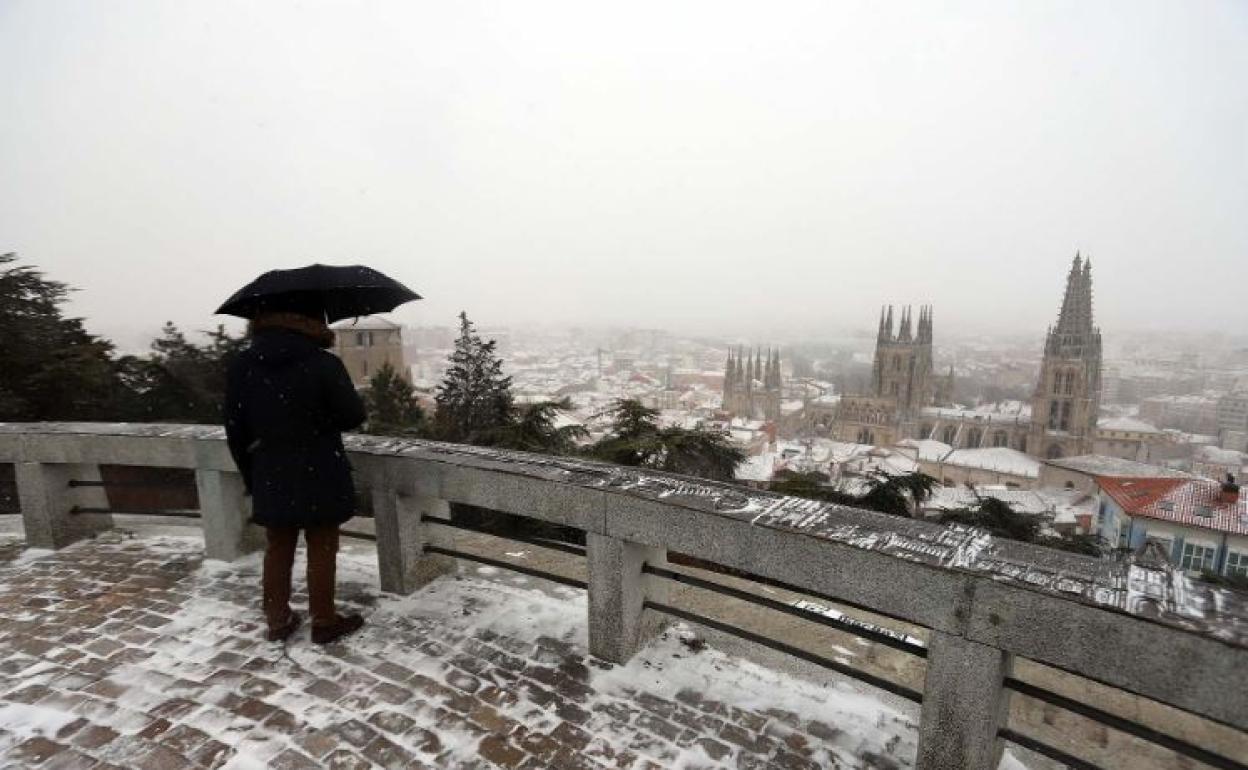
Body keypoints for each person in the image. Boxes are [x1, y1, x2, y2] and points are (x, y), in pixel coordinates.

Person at [224, 307, 367, 644]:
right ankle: (324, 620)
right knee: (322, 544)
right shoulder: (323, 363)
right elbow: (352, 415)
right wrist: (320, 417)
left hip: (270, 468)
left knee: (278, 546)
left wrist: (252, 474)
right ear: (312, 324)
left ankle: (277, 619)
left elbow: (235, 429)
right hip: (320, 466)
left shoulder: (243, 365)